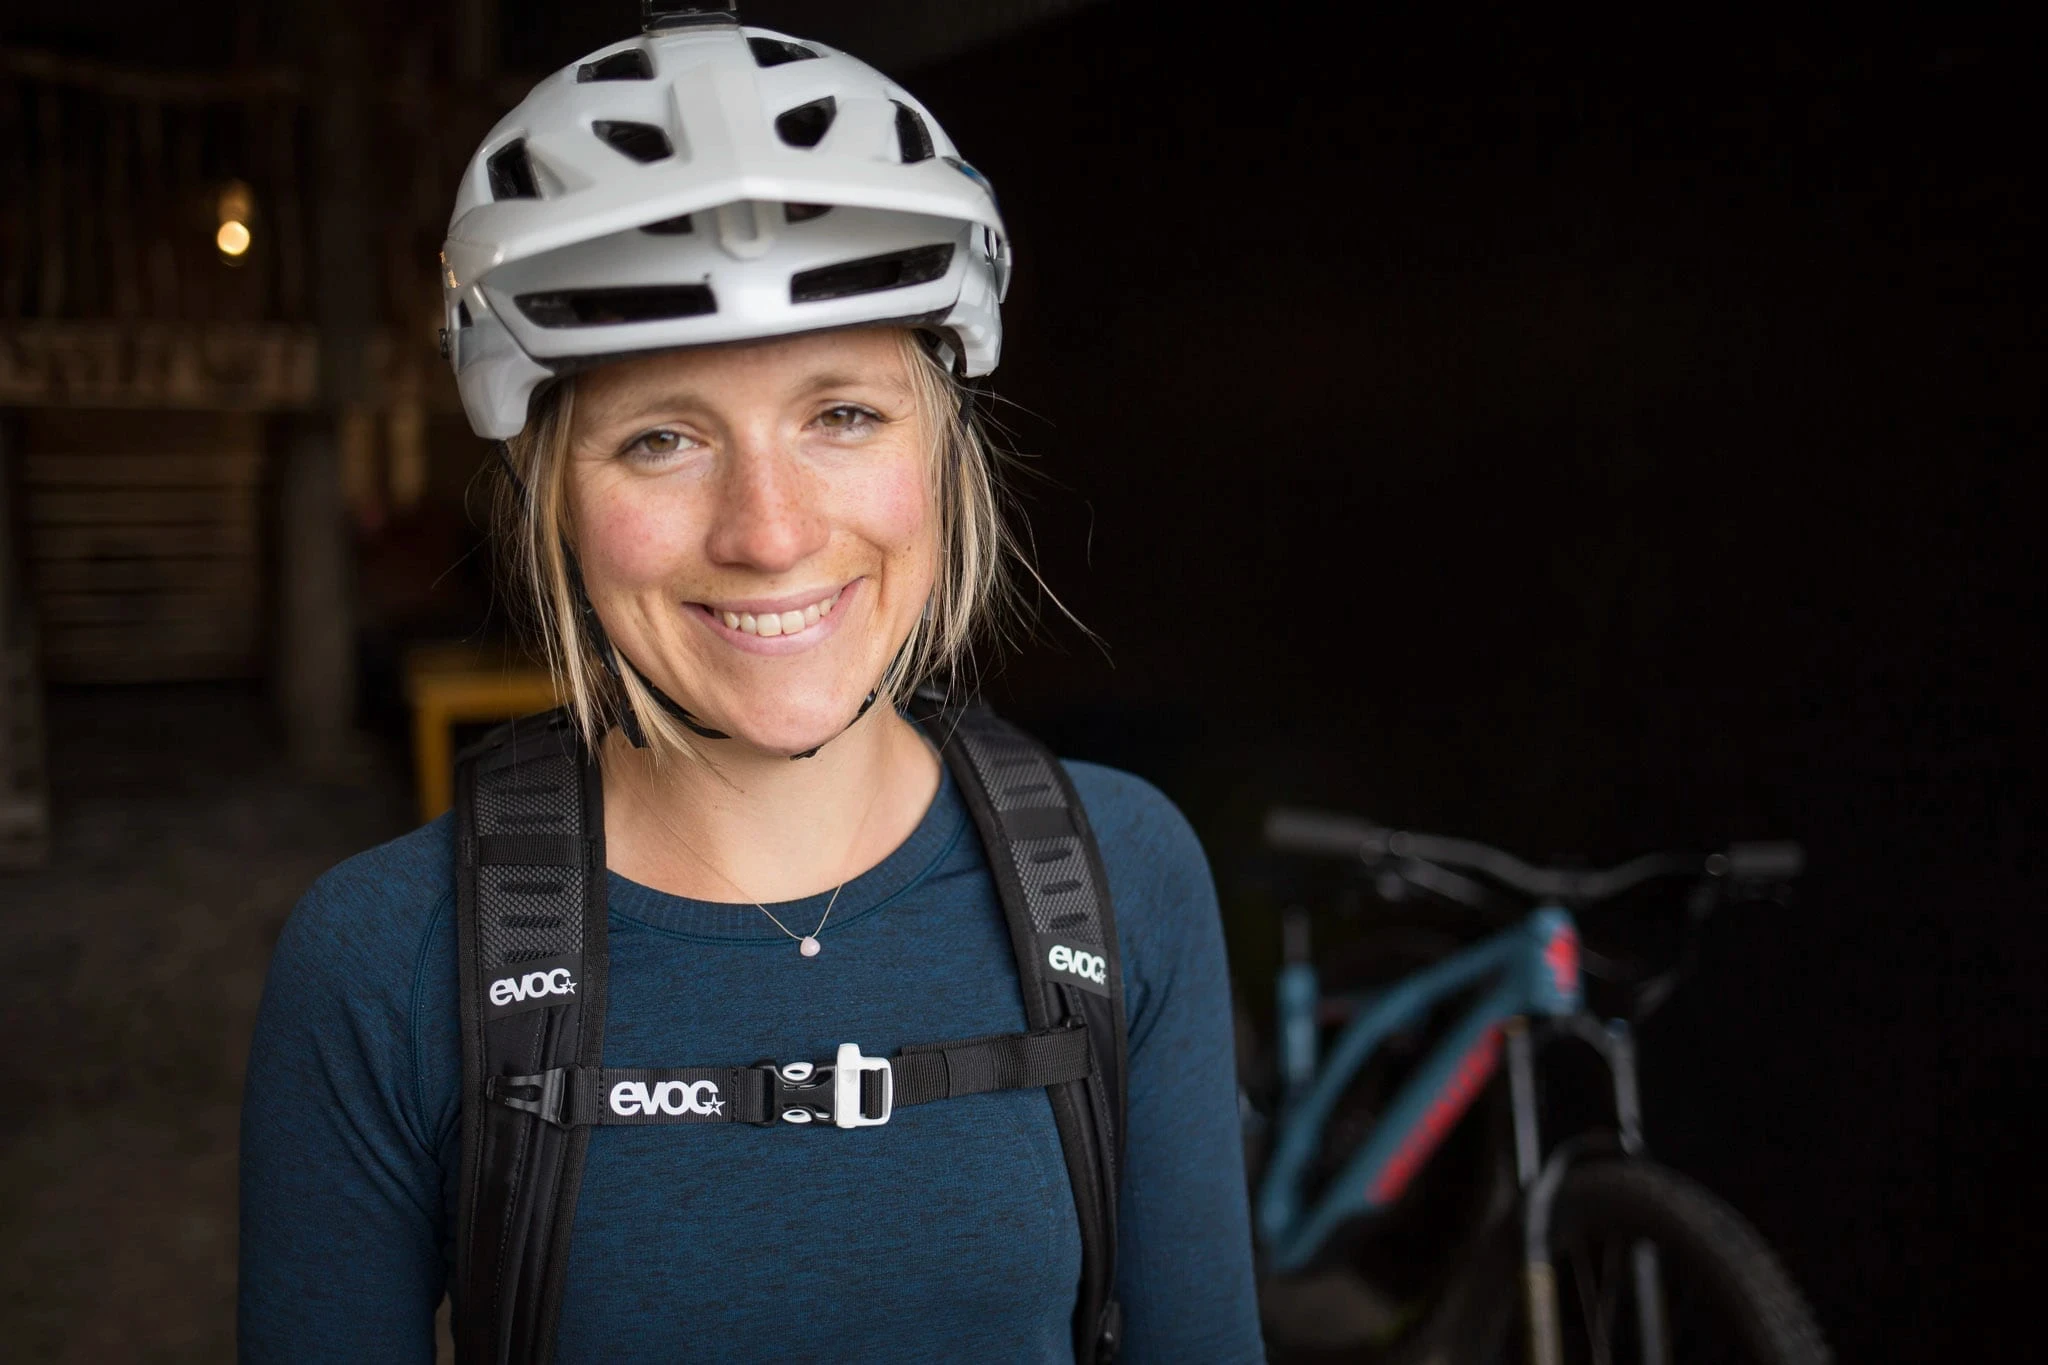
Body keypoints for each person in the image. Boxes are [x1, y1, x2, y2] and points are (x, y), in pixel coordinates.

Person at [237, 10, 1263, 1362]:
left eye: (842, 414)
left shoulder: (1126, 874)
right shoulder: (384, 963)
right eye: (662, 439)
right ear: (553, 503)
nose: (768, 532)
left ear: (944, 450)